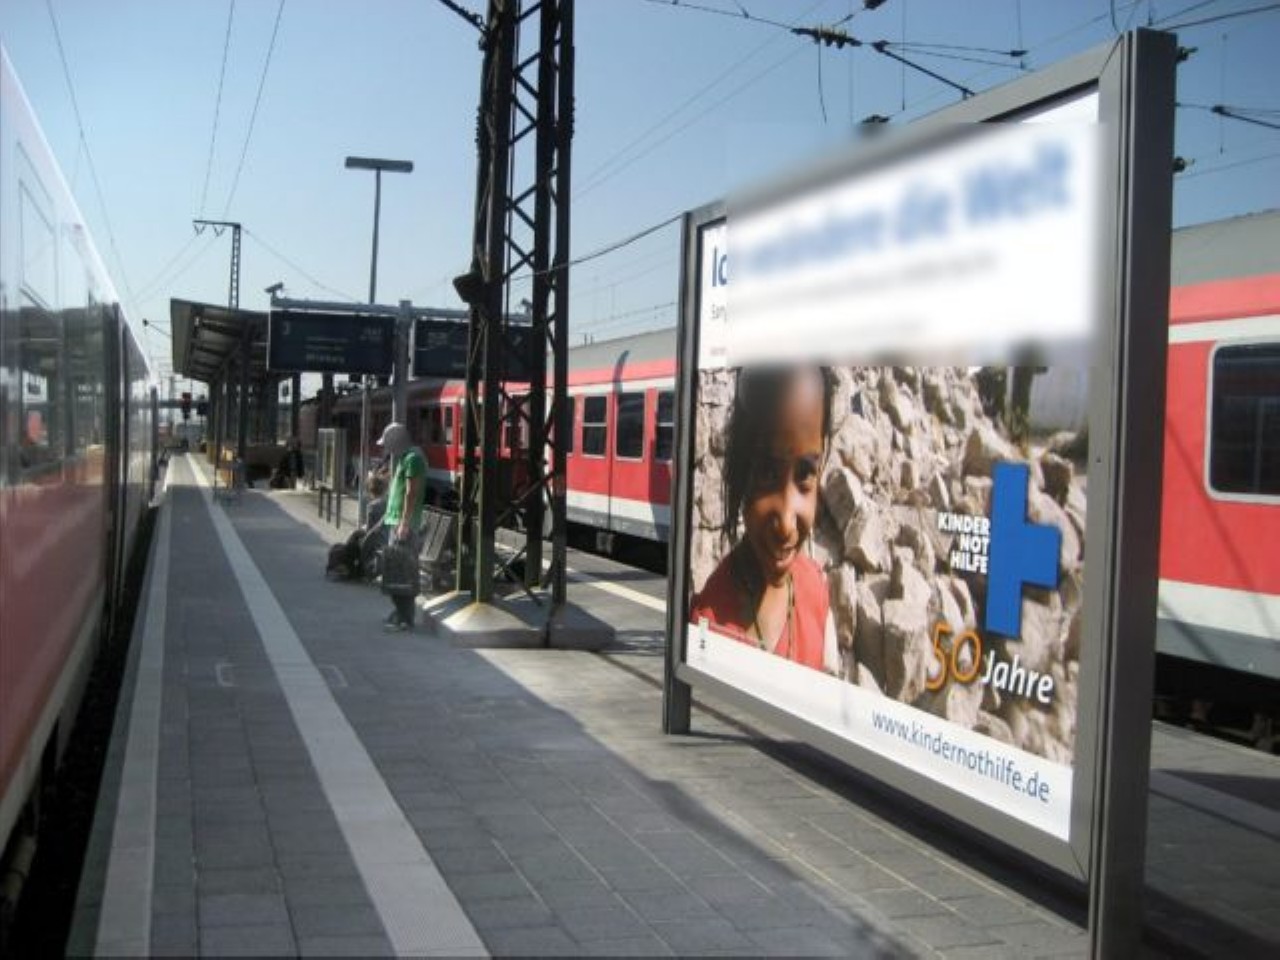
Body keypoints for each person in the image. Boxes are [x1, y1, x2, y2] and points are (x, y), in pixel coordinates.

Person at [690, 365, 838, 672]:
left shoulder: (816, 588)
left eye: (805, 474)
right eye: (767, 474)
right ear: (741, 473)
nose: (786, 524)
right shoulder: (709, 626)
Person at [378, 422, 427, 631]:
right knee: (395, 571)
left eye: (387, 444)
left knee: (402, 572)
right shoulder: (405, 458)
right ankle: (400, 612)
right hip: (397, 522)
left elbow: (411, 492)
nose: (386, 448)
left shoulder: (413, 459)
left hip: (403, 525)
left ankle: (405, 618)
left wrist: (404, 523)